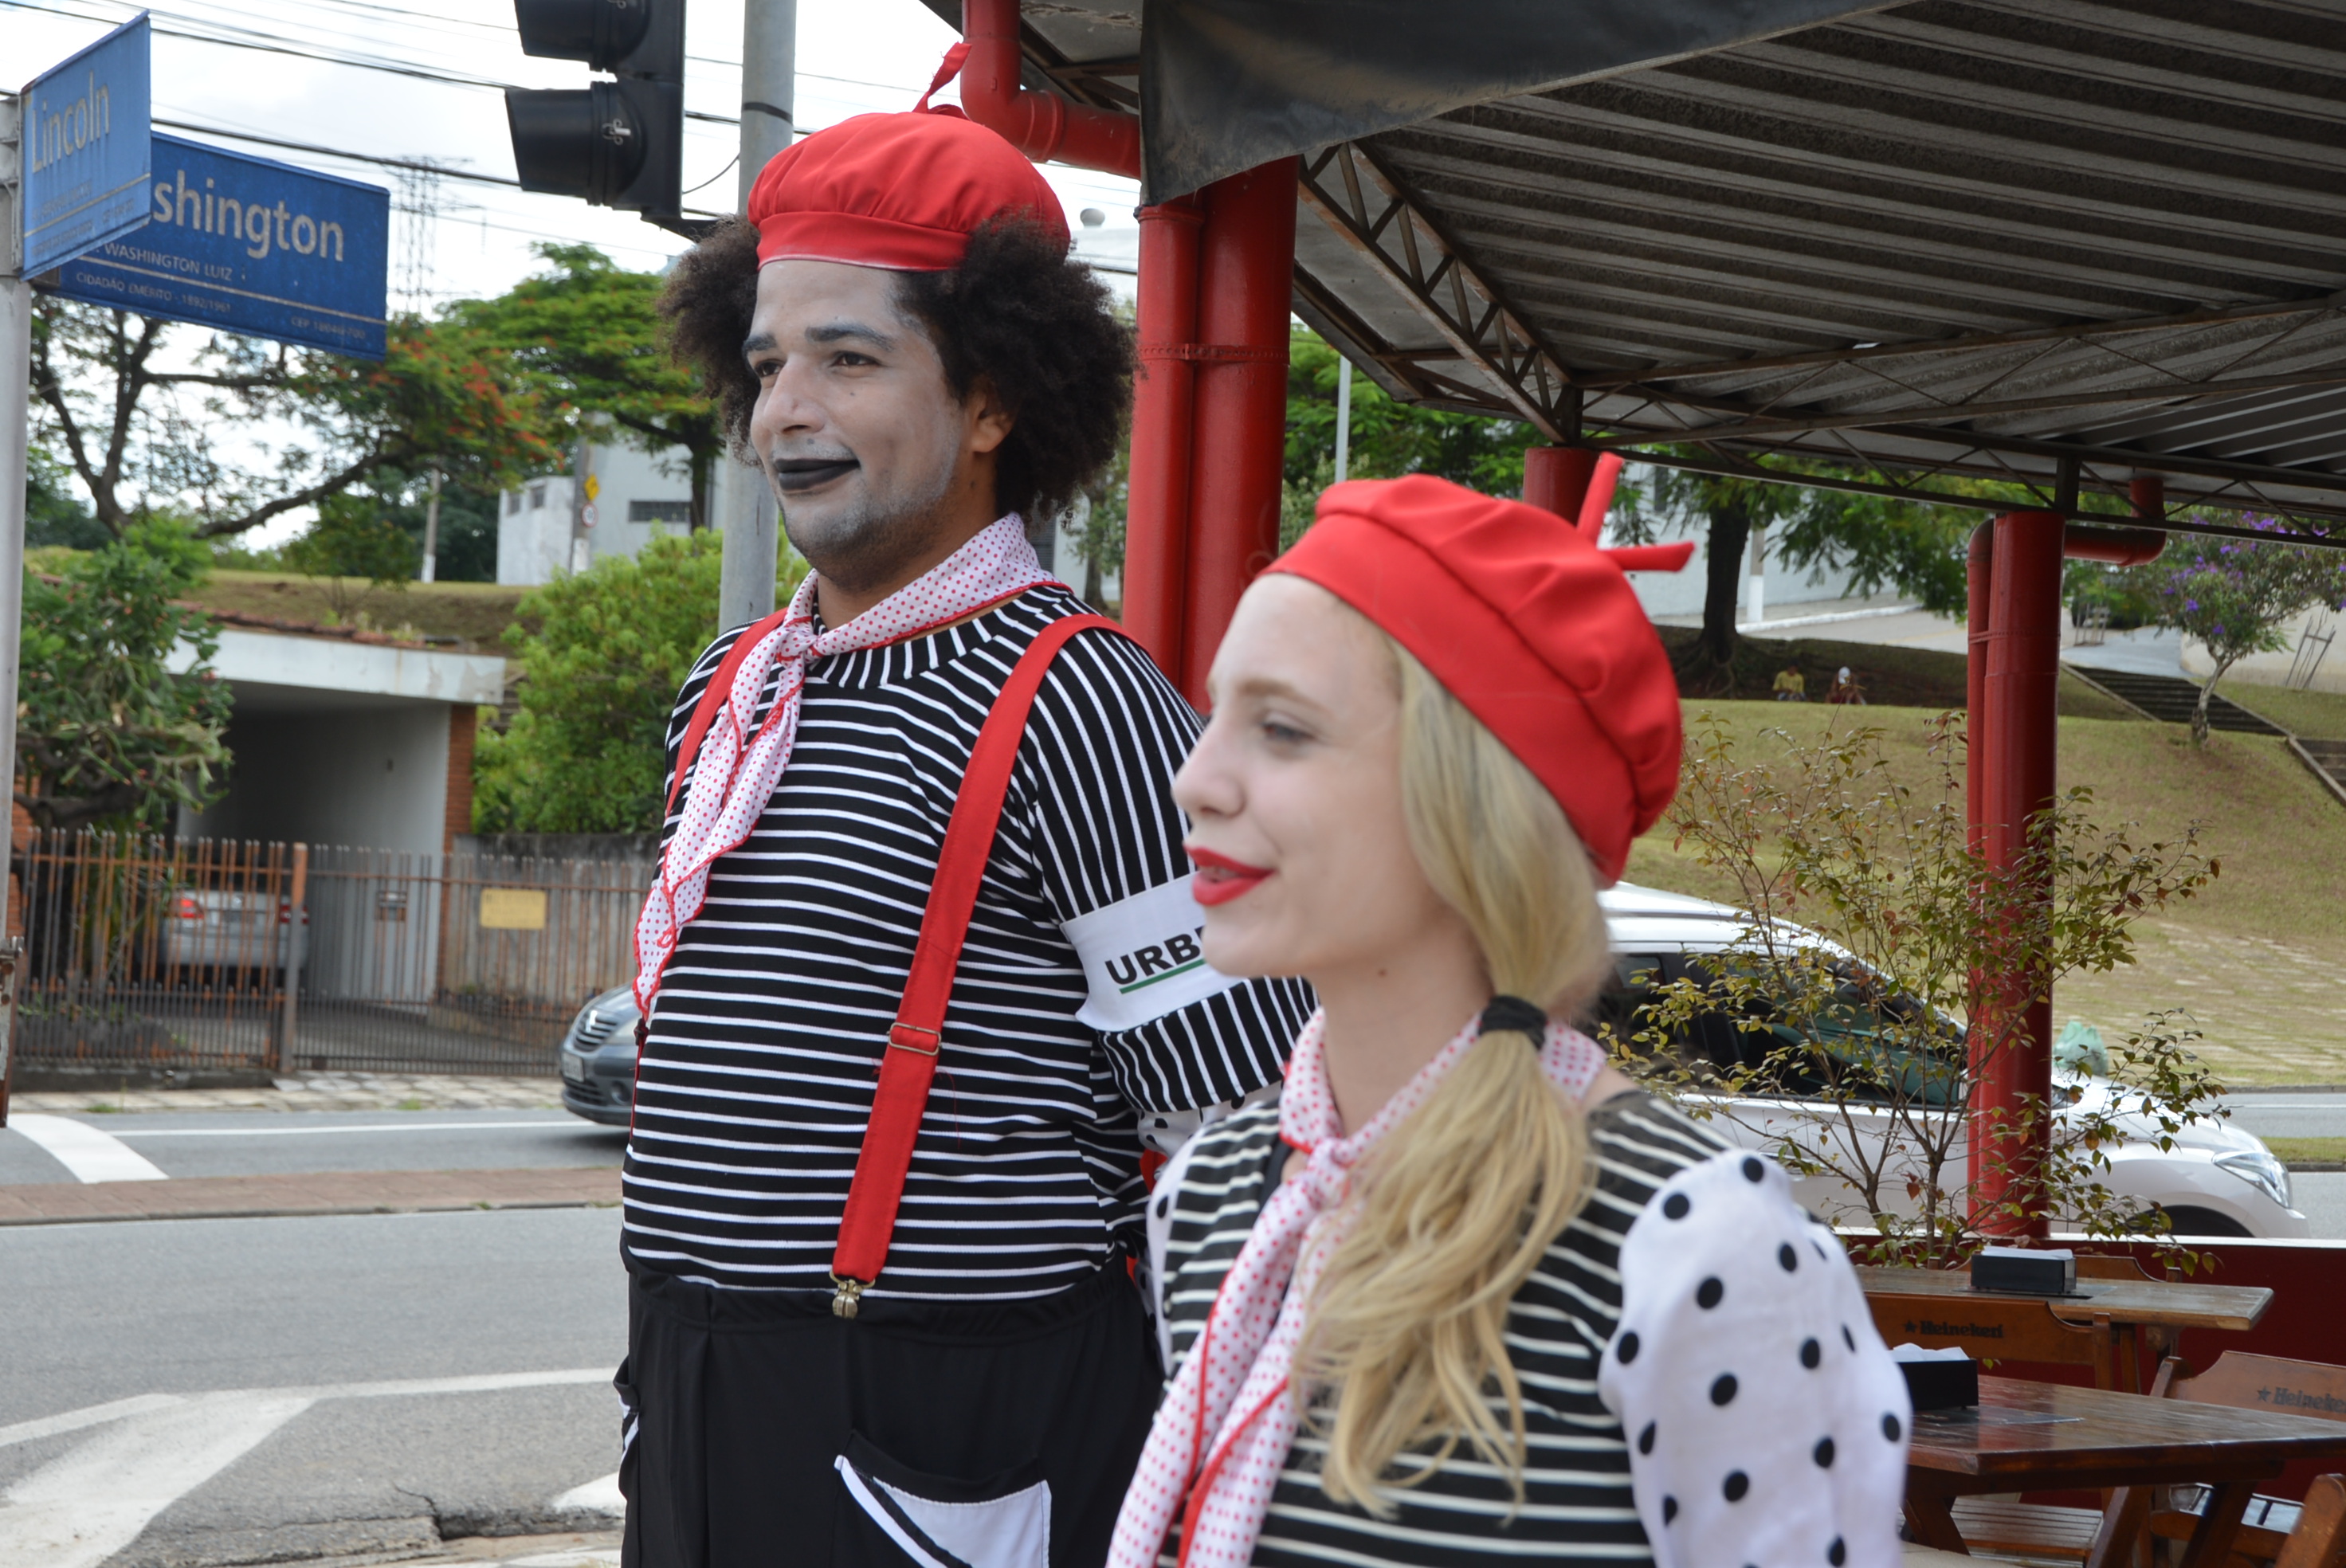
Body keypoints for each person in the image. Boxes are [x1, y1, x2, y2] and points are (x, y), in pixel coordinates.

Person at [622, 108, 1312, 1567]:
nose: (783, 410)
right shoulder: (730, 692)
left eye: (848, 359)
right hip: (688, 1386)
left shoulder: (1082, 701)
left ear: (993, 400)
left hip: (955, 1426)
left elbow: (1239, 1126)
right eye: (766, 363)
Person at [1112, 476, 1911, 1568]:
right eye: (1214, 718)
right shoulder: (1214, 1198)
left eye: (1282, 729)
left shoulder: (1693, 1247)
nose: (1194, 780)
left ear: (1474, 801)